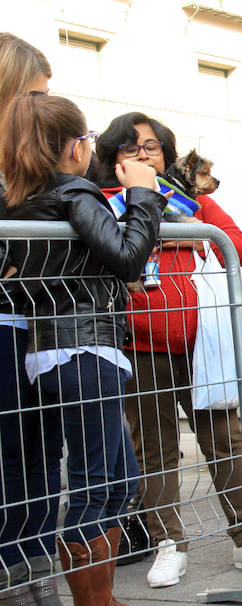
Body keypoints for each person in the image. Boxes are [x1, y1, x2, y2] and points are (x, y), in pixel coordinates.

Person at [93, 112, 242, 586]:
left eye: (151, 147)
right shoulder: (104, 202)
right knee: (155, 450)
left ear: (167, 156)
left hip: (203, 344)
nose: (142, 155)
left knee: (228, 442)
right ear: (112, 159)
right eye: (130, 149)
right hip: (141, 346)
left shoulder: (190, 202)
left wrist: (188, 222)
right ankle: (168, 544)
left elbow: (238, 245)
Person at [1, 92, 164, 606]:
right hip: (83, 351)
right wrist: (143, 195)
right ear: (74, 146)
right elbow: (126, 257)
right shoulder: (73, 191)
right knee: (99, 485)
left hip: (56, 350)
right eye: (87, 138)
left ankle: (103, 598)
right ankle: (94, 603)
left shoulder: (25, 196)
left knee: (118, 480)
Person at [0, 32, 61, 606]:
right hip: (7, 326)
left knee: (37, 456)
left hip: (29, 326)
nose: (45, 110)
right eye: (36, 97)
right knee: (14, 459)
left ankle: (29, 571)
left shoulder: (25, 167)